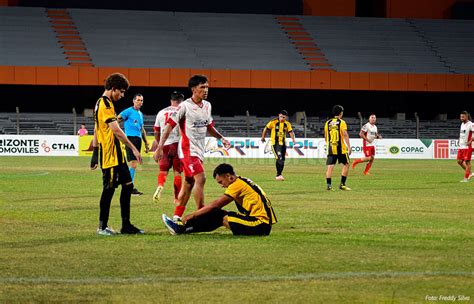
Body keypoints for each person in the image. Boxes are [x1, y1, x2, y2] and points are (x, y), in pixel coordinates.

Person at [154, 75, 230, 223]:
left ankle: (176, 216)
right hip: (187, 150)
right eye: (202, 87)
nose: (206, 90)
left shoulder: (207, 106)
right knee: (200, 178)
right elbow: (169, 126)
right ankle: (202, 214)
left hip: (199, 150)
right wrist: (159, 147)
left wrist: (221, 138)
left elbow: (209, 127)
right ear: (193, 89)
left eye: (207, 87)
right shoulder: (184, 106)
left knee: (189, 182)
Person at [90, 73, 144, 236]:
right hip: (110, 156)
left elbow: (96, 128)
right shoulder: (104, 104)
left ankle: (126, 225)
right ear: (113, 89)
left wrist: (94, 150)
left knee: (128, 186)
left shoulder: (107, 104)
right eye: (121, 92)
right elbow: (115, 130)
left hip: (118, 155)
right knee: (109, 189)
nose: (122, 95)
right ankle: (102, 226)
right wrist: (133, 148)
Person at [161, 163, 277, 236]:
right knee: (218, 214)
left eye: (221, 182)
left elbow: (216, 205)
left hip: (260, 225)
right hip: (260, 222)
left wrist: (191, 215)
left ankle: (182, 228)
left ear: (229, 176)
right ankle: (182, 228)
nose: (222, 185)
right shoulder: (241, 181)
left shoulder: (237, 185)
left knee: (220, 215)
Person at [152, 91, 184, 204]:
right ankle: (176, 198)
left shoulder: (161, 112)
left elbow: (156, 130)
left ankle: (160, 185)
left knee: (163, 171)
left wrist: (159, 145)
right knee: (177, 173)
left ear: (171, 100)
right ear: (181, 101)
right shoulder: (181, 111)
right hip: (177, 145)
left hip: (164, 145)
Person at [118, 94, 150, 196]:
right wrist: (118, 134)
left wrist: (146, 143)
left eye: (142, 100)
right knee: (133, 164)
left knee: (133, 165)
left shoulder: (140, 114)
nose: (140, 102)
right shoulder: (128, 111)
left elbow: (142, 129)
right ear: (133, 100)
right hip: (130, 139)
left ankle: (125, 183)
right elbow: (117, 119)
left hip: (138, 140)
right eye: (138, 100)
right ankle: (129, 188)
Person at [261, 110, 296, 181]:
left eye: (284, 117)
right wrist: (263, 137)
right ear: (279, 115)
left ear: (286, 117)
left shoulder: (287, 124)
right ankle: (278, 175)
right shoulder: (273, 122)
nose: (282, 119)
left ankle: (280, 174)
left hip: (283, 144)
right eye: (281, 117)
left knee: (283, 160)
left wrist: (293, 140)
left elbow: (291, 132)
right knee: (279, 158)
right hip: (275, 144)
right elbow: (266, 129)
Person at [324, 105, 351, 191]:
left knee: (330, 166)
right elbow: (345, 134)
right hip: (341, 149)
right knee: (346, 164)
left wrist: (329, 144)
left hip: (331, 148)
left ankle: (329, 185)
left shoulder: (328, 123)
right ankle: (342, 184)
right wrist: (349, 147)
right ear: (341, 113)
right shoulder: (342, 122)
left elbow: (325, 136)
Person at [457, 110, 473, 182]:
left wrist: (470, 141)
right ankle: (470, 173)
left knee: (467, 162)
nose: (461, 118)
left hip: (467, 146)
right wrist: (459, 139)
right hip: (461, 145)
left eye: (463, 117)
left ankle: (466, 178)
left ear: (466, 116)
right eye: (461, 117)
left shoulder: (471, 124)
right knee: (459, 161)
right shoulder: (462, 124)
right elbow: (462, 134)